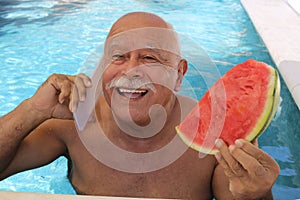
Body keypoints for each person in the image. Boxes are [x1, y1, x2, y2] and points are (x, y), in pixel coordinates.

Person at [0, 12, 279, 199]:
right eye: (118, 56)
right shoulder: (71, 122)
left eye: (150, 58)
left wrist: (257, 192)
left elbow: (240, 194)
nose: (131, 70)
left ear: (179, 74)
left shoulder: (216, 131)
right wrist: (31, 111)